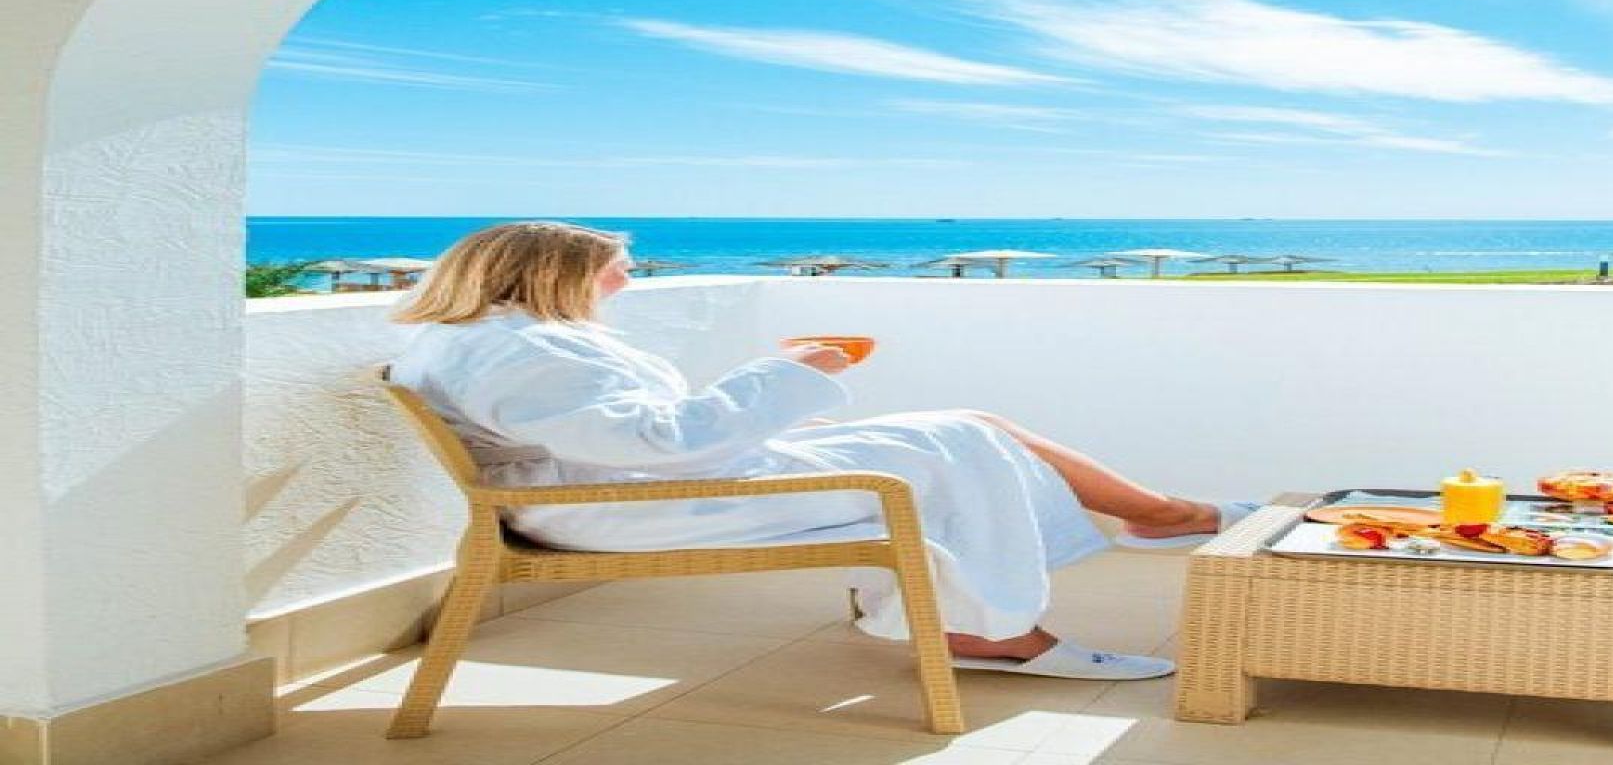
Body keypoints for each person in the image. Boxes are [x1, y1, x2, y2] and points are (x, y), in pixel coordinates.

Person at [389, 221, 1257, 680]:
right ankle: (1010, 624)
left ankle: (1157, 519)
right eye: (615, 266)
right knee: (955, 440)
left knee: (967, 426)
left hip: (640, 486)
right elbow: (657, 441)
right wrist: (786, 373)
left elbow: (631, 434)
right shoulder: (523, 351)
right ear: (552, 273)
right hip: (629, 508)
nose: (626, 277)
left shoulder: (502, 340)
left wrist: (773, 405)